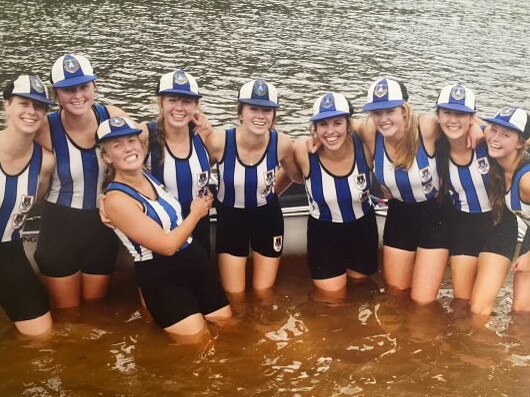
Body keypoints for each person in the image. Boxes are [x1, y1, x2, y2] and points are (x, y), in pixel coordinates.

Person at [98, 117, 231, 337]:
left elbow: (171, 125)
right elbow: (167, 246)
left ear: (142, 145)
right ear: (107, 157)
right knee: (198, 342)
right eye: (117, 145)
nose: (128, 149)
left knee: (228, 328)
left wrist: (201, 120)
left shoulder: (148, 174)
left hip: (193, 260)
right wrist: (196, 213)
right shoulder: (115, 200)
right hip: (161, 274)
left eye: (132, 141)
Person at [34, 54, 127, 308]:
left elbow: (143, 151)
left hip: (102, 229)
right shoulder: (45, 127)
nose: (77, 96)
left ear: (94, 87)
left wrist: (202, 129)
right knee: (68, 317)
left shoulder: (113, 117)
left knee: (96, 313)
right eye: (68, 90)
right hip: (59, 229)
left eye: (84, 87)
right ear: (56, 95)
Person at [355, 78, 450, 303]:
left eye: (389, 111)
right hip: (399, 215)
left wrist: (475, 125)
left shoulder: (426, 127)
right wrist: (313, 141)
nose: (383, 119)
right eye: (376, 113)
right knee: (396, 296)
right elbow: (344, 123)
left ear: (404, 110)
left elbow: (459, 120)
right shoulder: (370, 132)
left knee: (422, 301)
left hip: (434, 216)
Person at [202, 79, 299, 296]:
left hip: (268, 218)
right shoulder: (219, 142)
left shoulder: (282, 143)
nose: (260, 115)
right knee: (234, 295)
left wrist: (273, 192)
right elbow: (194, 173)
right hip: (231, 221)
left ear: (274, 116)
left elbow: (296, 176)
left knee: (263, 293)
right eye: (253, 108)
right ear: (240, 113)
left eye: (267, 110)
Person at [434, 84, 517, 313]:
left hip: (498, 225)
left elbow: (516, 144)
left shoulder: (488, 142)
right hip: (464, 228)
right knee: (461, 305)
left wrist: (480, 127)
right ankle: (464, 349)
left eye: (461, 114)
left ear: (471, 116)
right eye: (447, 113)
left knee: (479, 308)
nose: (453, 120)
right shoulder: (437, 146)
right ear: (438, 116)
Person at [286, 92, 378, 297]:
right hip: (324, 234)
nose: (330, 131)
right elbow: (287, 178)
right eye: (323, 125)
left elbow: (376, 126)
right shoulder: (303, 151)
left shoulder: (365, 148)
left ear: (348, 125)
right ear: (314, 129)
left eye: (337, 123)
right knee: (331, 303)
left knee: (361, 292)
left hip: (363, 230)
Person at [0, 75, 55, 335]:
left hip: (9, 252)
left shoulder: (44, 162)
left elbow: (39, 200)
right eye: (24, 103)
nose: (32, 112)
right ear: (7, 104)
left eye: (39, 106)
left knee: (42, 338)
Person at [142, 70, 212, 254]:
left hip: (199, 228)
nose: (179, 108)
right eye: (172, 100)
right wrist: (105, 199)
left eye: (186, 101)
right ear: (161, 103)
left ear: (196, 106)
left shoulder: (204, 134)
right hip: (161, 232)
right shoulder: (145, 136)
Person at [484, 106, 530, 313]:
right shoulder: (504, 166)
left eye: (506, 134)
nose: (495, 138)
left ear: (521, 142)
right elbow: (475, 124)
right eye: (493, 129)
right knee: (521, 311)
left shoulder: (526, 180)